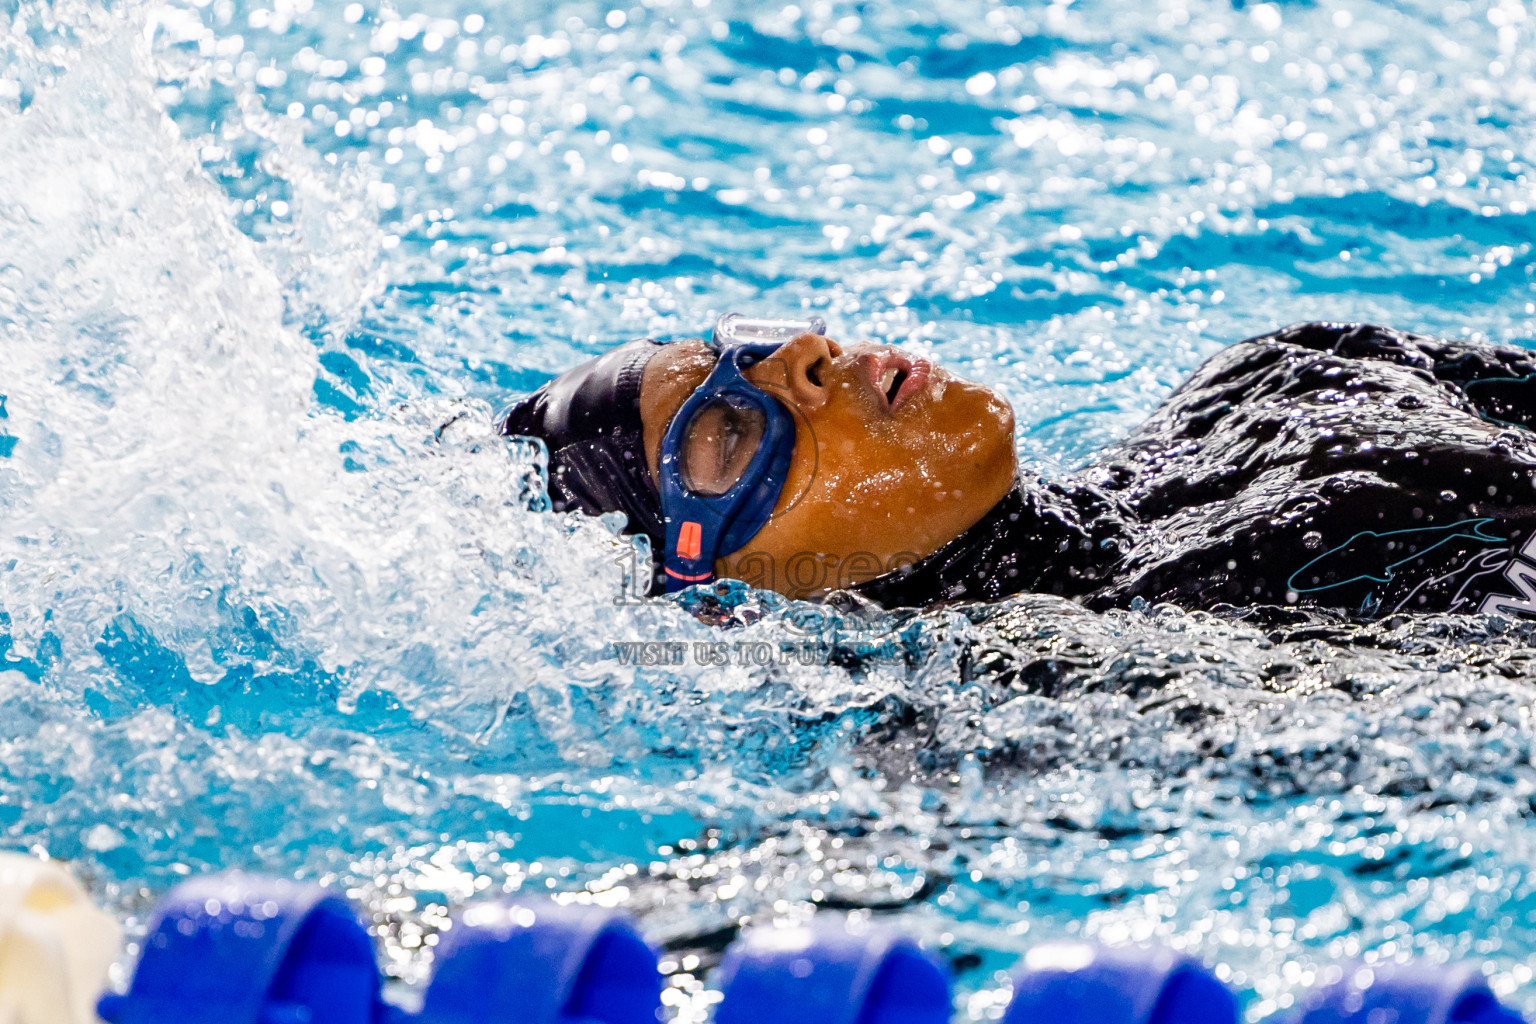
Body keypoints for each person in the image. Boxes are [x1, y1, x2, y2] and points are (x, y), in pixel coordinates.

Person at [502, 318, 1536, 620]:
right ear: (723, 597)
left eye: (752, 348)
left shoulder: (1276, 376)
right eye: (729, 433)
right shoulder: (1054, 696)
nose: (809, 360)